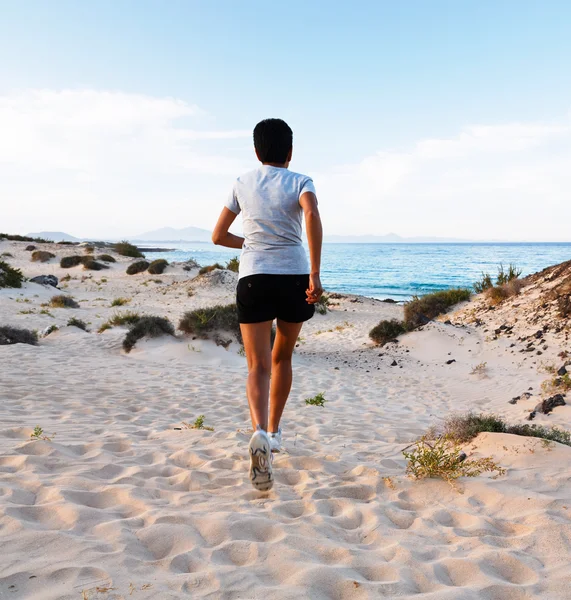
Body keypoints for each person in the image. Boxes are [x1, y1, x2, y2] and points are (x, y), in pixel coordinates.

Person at [212, 118, 323, 491]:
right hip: (293, 277)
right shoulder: (301, 182)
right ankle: (274, 434)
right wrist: (314, 274)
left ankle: (259, 431)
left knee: (257, 366)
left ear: (257, 152)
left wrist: (249, 243)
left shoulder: (242, 182)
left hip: (254, 278)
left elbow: (217, 235)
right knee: (282, 358)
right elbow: (311, 214)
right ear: (290, 152)